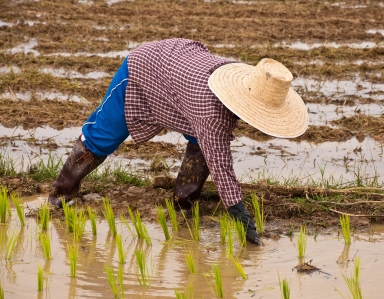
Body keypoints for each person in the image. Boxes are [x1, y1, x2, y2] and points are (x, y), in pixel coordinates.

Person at [48, 38, 308, 246]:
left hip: (181, 72)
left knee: (203, 142)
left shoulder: (247, 83)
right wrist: (241, 215)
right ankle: (60, 195)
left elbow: (213, 144)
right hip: (143, 68)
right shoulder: (210, 113)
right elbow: (222, 167)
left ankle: (184, 204)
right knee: (103, 136)